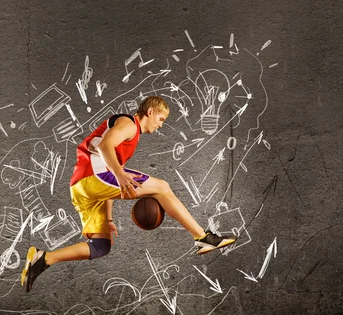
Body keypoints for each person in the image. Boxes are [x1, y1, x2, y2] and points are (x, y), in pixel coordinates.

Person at [21, 96, 236, 292]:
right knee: (163, 188)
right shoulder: (129, 124)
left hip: (82, 187)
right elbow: (105, 147)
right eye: (160, 119)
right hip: (93, 176)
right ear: (150, 112)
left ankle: (43, 259)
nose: (160, 125)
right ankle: (203, 238)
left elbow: (108, 182)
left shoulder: (129, 137)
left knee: (100, 246)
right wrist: (120, 174)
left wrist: (109, 217)